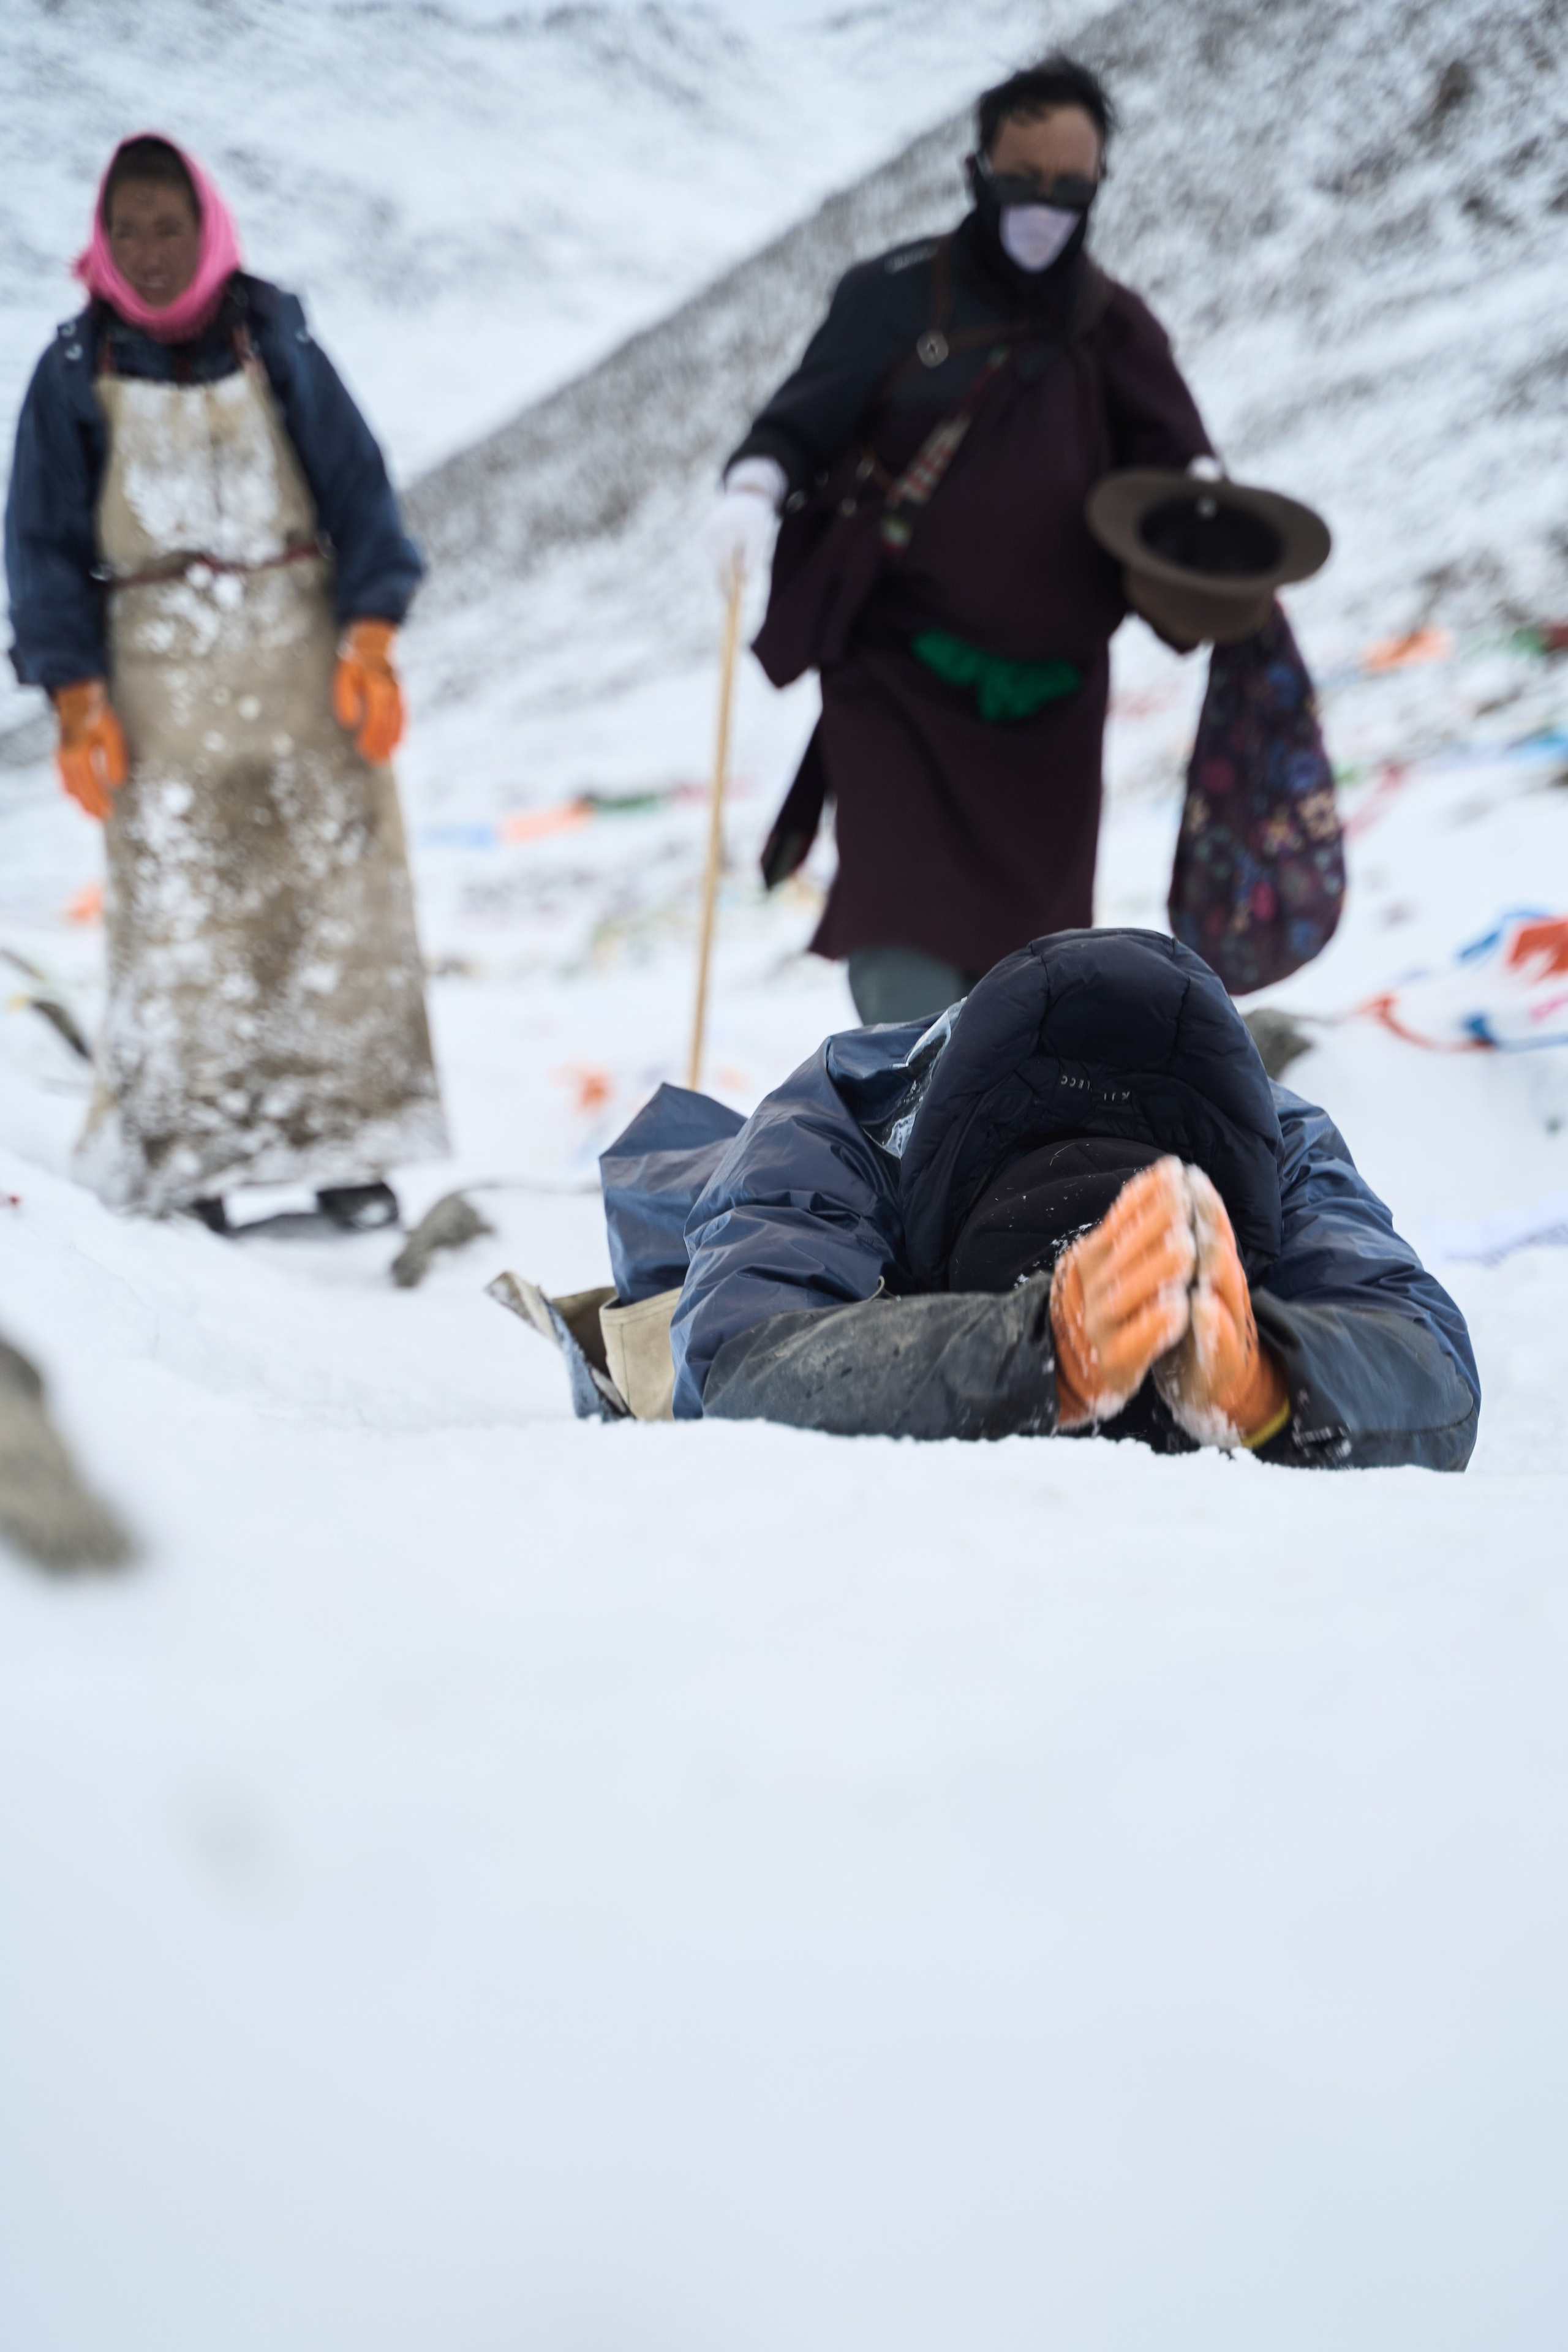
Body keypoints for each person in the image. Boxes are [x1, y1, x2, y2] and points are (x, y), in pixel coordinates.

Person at [516, 930, 1479, 1471]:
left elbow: (1430, 1358)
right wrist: (1034, 1350)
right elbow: (738, 1369)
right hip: (763, 1210)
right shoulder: (836, 1126)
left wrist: (1264, 1381)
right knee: (662, 1340)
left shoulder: (1279, 1154)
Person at [707, 56, 1217, 1027]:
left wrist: (1210, 518)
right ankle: (912, 1106)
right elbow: (800, 420)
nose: (1044, 209)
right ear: (978, 170)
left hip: (1052, 712)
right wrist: (753, 486)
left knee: (1033, 980)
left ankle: (998, 1117)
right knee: (903, 947)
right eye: (1022, 181)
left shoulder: (1114, 327)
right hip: (898, 683)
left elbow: (1179, 465)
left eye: (1070, 189)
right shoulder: (895, 296)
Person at [4, 134, 447, 1230]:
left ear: (209, 229)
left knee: (334, 913)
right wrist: (75, 698)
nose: (150, 253)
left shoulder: (276, 338)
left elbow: (360, 490)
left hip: (303, 673)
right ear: (100, 245)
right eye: (127, 233)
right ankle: (191, 1162)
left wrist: (370, 637)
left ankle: (349, 1153)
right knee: (180, 927)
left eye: (169, 228)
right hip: (157, 692)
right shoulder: (73, 370)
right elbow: (40, 545)